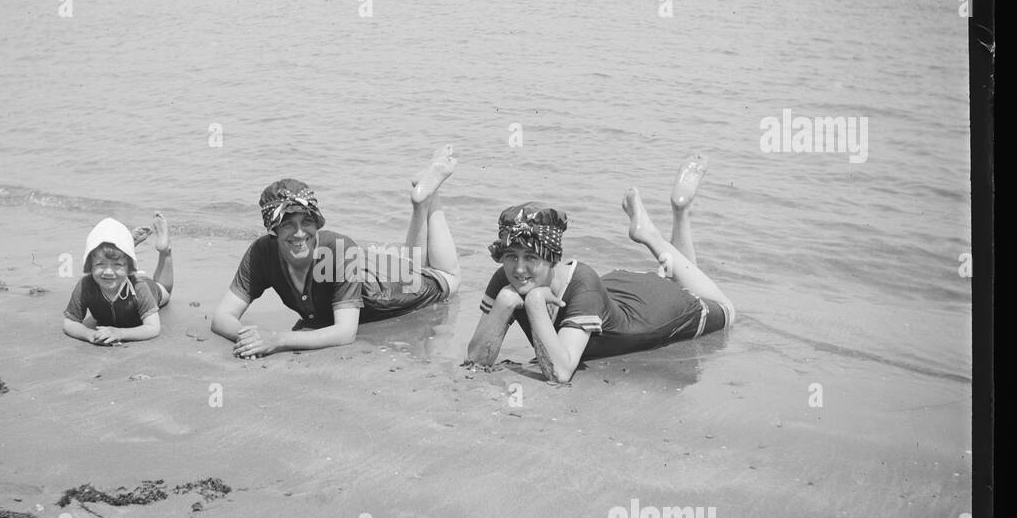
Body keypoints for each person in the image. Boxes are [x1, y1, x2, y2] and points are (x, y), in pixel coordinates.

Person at [466, 155, 735, 383]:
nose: (519, 269)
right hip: (621, 292)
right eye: (511, 256)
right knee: (678, 280)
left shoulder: (581, 283)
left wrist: (535, 302)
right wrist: (503, 302)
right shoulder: (506, 278)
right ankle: (681, 212)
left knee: (726, 310)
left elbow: (560, 372)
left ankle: (654, 234)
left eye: (530, 258)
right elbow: (476, 360)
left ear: (552, 258)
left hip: (659, 308)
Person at [211, 147, 461, 357]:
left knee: (445, 276)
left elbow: (345, 333)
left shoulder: (338, 250)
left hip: (385, 288)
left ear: (317, 222)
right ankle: (423, 197)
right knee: (410, 264)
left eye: (306, 222)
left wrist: (276, 339)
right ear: (273, 230)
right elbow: (222, 317)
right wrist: (250, 337)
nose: (299, 233)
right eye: (288, 224)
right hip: (369, 267)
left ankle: (429, 195)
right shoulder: (261, 253)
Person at [62, 215, 173, 345]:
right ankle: (123, 249)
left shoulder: (139, 287)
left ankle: (165, 251)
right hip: (122, 276)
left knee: (165, 289)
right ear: (89, 266)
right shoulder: (86, 285)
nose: (108, 272)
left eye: (116, 265)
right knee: (115, 260)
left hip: (144, 286)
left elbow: (153, 328)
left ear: (129, 269)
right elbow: (69, 322)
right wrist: (89, 334)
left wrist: (120, 333)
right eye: (100, 264)